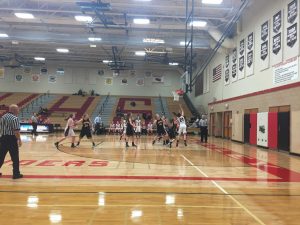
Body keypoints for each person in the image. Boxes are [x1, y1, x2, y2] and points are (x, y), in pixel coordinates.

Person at [0, 104, 23, 179]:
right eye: (18, 109)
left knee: (1, 157)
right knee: (15, 158)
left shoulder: (3, 117)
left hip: (3, 138)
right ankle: (16, 174)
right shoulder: (14, 118)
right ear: (14, 110)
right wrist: (19, 140)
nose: (18, 111)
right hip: (11, 139)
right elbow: (16, 131)